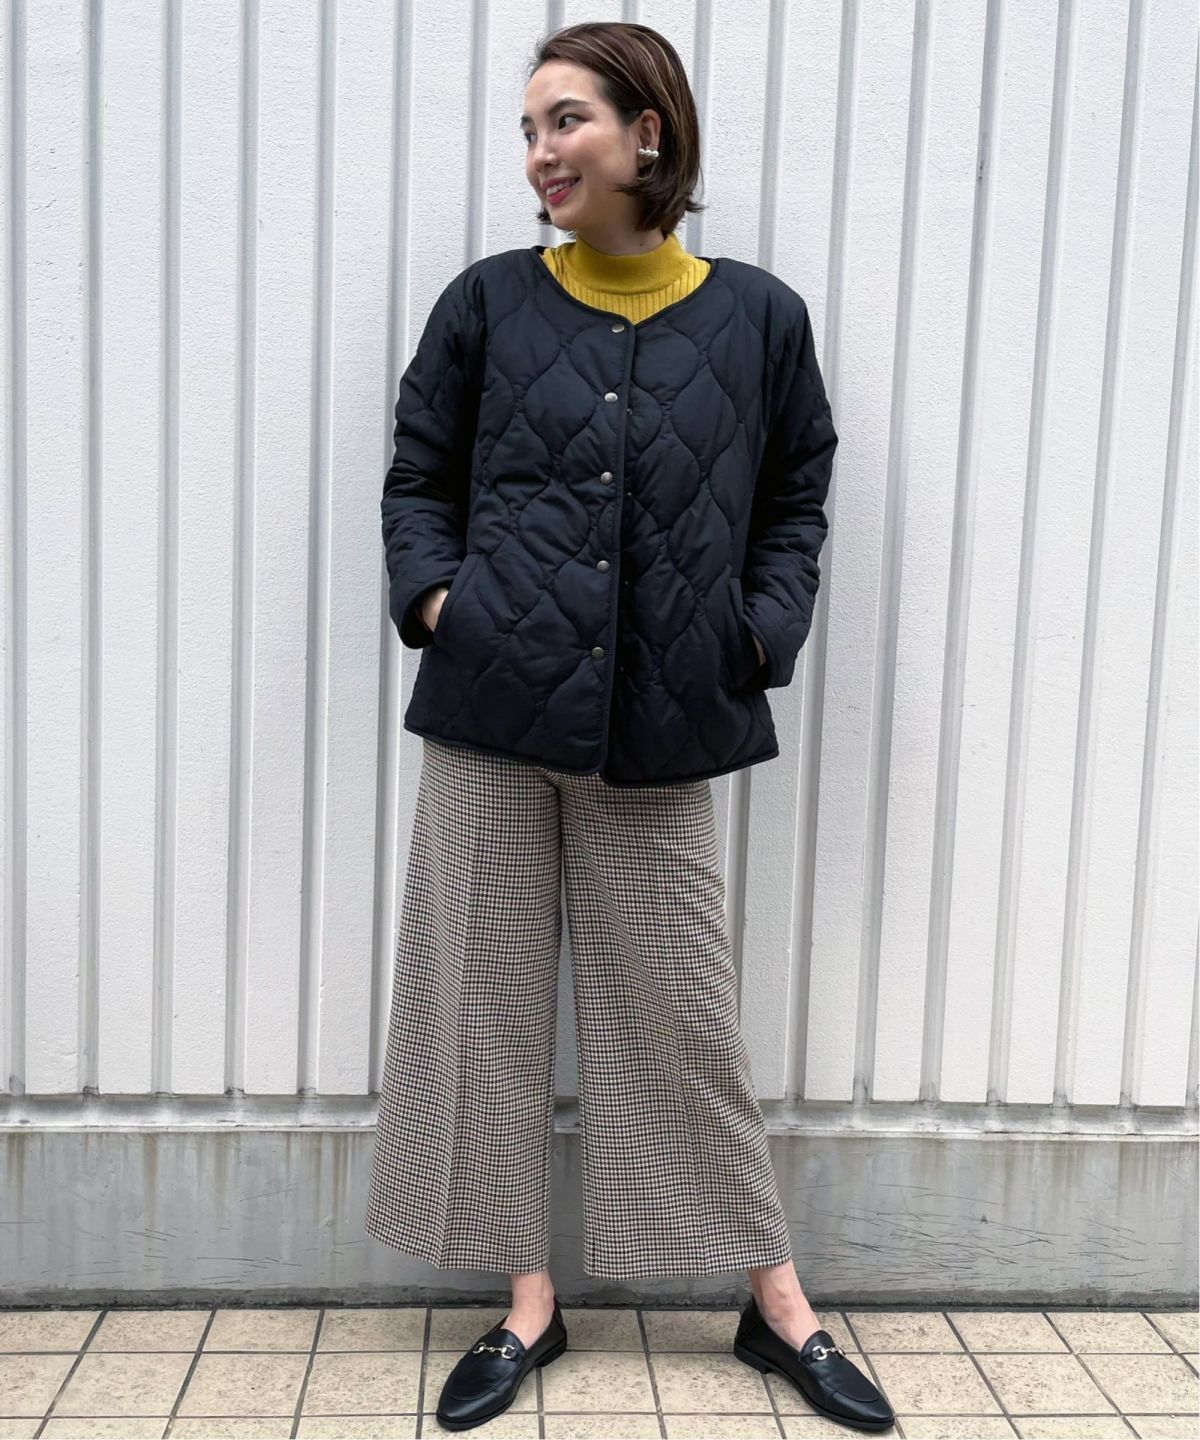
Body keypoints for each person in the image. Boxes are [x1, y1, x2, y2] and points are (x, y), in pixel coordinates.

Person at [365, 19, 895, 1436]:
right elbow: (418, 474)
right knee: (484, 1002)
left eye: (567, 121)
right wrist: (439, 602)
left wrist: (758, 631)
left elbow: (797, 493)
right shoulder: (487, 303)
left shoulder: (757, 317)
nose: (540, 152)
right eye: (530, 129)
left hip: (664, 718)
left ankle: (775, 1302)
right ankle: (527, 1303)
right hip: (491, 706)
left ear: (646, 132)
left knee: (678, 1008)